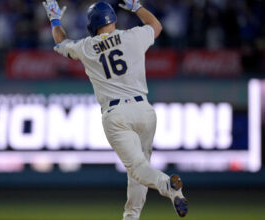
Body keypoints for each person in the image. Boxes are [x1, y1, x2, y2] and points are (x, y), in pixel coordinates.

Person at [42, 0, 188, 219]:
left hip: (116, 115)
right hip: (144, 110)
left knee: (138, 169)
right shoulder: (133, 36)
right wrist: (136, 6)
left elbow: (60, 42)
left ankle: (168, 186)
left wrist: (54, 19)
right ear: (113, 18)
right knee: (139, 170)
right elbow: (156, 26)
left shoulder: (86, 47)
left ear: (92, 24)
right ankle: (132, 216)